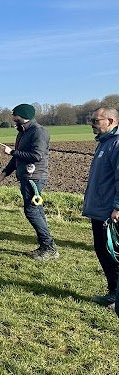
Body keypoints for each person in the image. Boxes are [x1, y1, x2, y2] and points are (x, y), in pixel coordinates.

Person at [0, 103, 58, 261]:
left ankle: (49, 247)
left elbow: (37, 156)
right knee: (37, 211)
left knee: (31, 211)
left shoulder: (38, 131)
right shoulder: (23, 133)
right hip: (26, 177)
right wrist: (4, 173)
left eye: (14, 115)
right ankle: (46, 246)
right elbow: (17, 157)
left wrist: (12, 151)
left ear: (23, 115)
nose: (13, 119)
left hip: (34, 177)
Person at [81, 107, 119, 313]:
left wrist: (117, 207)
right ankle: (113, 292)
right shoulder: (105, 143)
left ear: (111, 120)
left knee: (113, 255)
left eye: (96, 121)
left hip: (110, 212)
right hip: (99, 209)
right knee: (103, 251)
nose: (92, 125)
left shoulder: (117, 144)